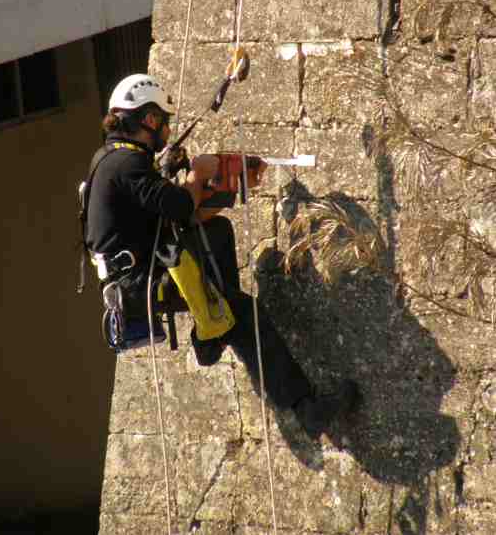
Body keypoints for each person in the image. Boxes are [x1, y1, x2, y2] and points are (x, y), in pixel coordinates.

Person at [84, 72, 360, 440]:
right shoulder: (127, 166)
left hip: (136, 276)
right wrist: (198, 174)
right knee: (243, 312)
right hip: (142, 284)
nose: (167, 131)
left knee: (217, 232)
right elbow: (180, 207)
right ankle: (305, 407)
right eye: (164, 122)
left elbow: (160, 210)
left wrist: (198, 183)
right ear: (150, 120)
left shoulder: (112, 160)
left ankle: (212, 332)